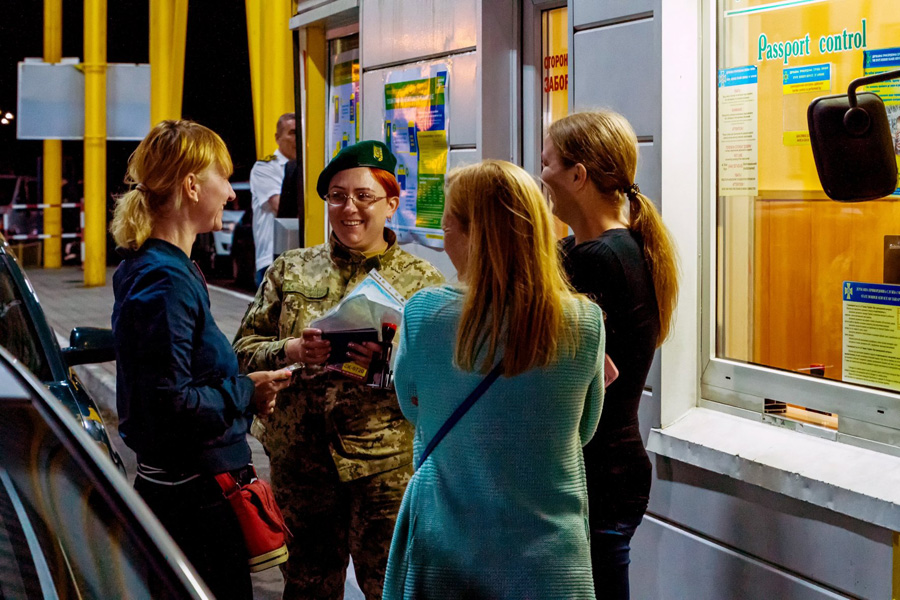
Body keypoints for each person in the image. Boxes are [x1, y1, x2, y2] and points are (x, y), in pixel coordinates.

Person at [383, 160, 606, 600]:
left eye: (447, 221)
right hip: (550, 562)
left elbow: (412, 406)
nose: (442, 233)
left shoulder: (425, 314)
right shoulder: (585, 321)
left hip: (448, 546)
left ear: (471, 233)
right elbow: (584, 429)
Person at [232, 140, 444, 599]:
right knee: (306, 587)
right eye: (337, 196)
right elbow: (242, 352)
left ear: (392, 202)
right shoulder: (290, 270)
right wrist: (290, 349)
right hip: (301, 464)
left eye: (364, 196)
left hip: (385, 469)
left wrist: (389, 364)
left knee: (391, 588)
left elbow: (443, 380)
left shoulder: (423, 284)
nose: (349, 208)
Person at [109, 120, 293, 600]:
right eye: (222, 180)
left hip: (188, 491)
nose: (231, 196)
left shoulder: (159, 267)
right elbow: (170, 401)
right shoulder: (164, 280)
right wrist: (246, 391)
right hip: (193, 501)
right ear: (191, 185)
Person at [541, 110, 680, 599]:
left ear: (577, 175)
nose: (543, 178)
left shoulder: (594, 261)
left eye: (548, 165)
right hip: (614, 466)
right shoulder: (627, 246)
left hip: (595, 471)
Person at [251, 112, 296, 286]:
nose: (296, 139)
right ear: (277, 138)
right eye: (292, 133)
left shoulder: (307, 167)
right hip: (271, 259)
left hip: (301, 256)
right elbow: (283, 207)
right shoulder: (265, 167)